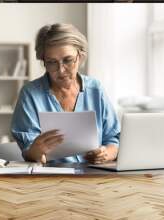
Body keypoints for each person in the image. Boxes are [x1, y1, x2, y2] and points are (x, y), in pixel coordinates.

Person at [11, 23, 120, 164]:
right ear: (43, 61)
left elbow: (113, 139)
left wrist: (105, 153)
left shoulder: (96, 90)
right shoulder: (30, 95)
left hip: (95, 176)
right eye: (51, 62)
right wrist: (35, 152)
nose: (61, 70)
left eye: (68, 60)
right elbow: (30, 153)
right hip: (52, 179)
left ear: (80, 57)